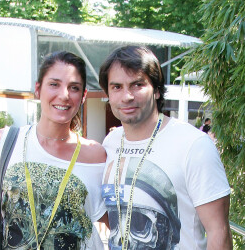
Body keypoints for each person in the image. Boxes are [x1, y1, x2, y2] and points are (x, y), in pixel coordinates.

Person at [99, 46, 232, 249]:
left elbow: (218, 232)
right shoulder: (111, 142)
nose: (126, 96)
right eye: (117, 87)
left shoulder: (193, 145)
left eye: (137, 85)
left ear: (157, 90)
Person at [0, 51, 108, 250]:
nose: (64, 95)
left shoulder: (96, 155)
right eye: (54, 84)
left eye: (74, 88)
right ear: (38, 89)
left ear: (83, 96)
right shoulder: (4, 141)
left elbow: (115, 221)